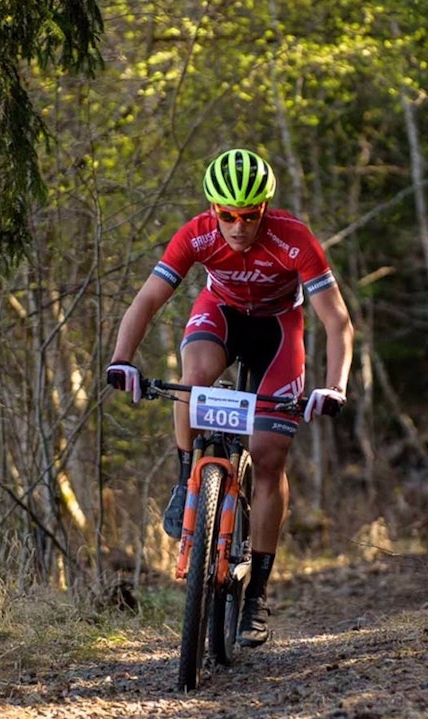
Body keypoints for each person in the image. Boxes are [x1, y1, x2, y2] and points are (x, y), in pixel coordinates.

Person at [106, 148, 354, 647]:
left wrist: (335, 386)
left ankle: (256, 594)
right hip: (220, 314)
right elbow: (148, 300)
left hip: (278, 331)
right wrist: (122, 359)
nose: (238, 227)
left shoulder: (294, 239)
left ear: (265, 209)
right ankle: (187, 480)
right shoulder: (196, 234)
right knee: (193, 377)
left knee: (269, 456)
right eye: (227, 216)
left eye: (249, 216)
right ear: (212, 209)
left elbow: (336, 321)